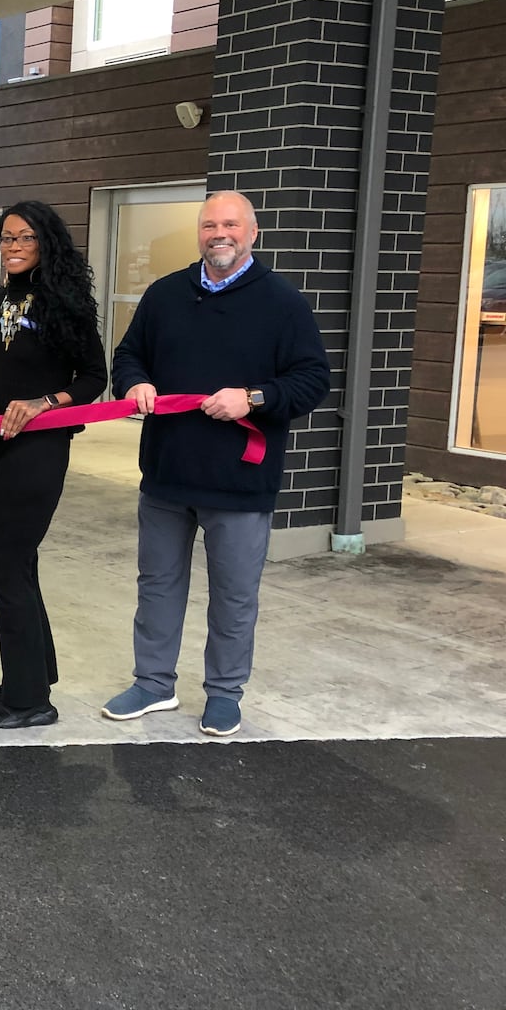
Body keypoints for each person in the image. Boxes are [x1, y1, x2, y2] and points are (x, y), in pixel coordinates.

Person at [104, 190, 330, 737]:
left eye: (231, 224)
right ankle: (154, 684)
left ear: (253, 233)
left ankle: (225, 693)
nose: (219, 234)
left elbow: (312, 380)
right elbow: (129, 354)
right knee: (157, 585)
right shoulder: (164, 295)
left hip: (240, 480)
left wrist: (252, 398)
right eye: (210, 225)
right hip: (166, 473)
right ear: (199, 233)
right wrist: (136, 382)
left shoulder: (282, 302)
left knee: (233, 595)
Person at [0, 201, 107, 730]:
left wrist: (48, 402)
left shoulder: (65, 304)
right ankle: (29, 676)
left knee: (5, 565)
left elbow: (94, 378)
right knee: (18, 565)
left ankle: (29, 702)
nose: (13, 246)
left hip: (37, 449)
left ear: (45, 242)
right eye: (5, 238)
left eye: (24, 237)